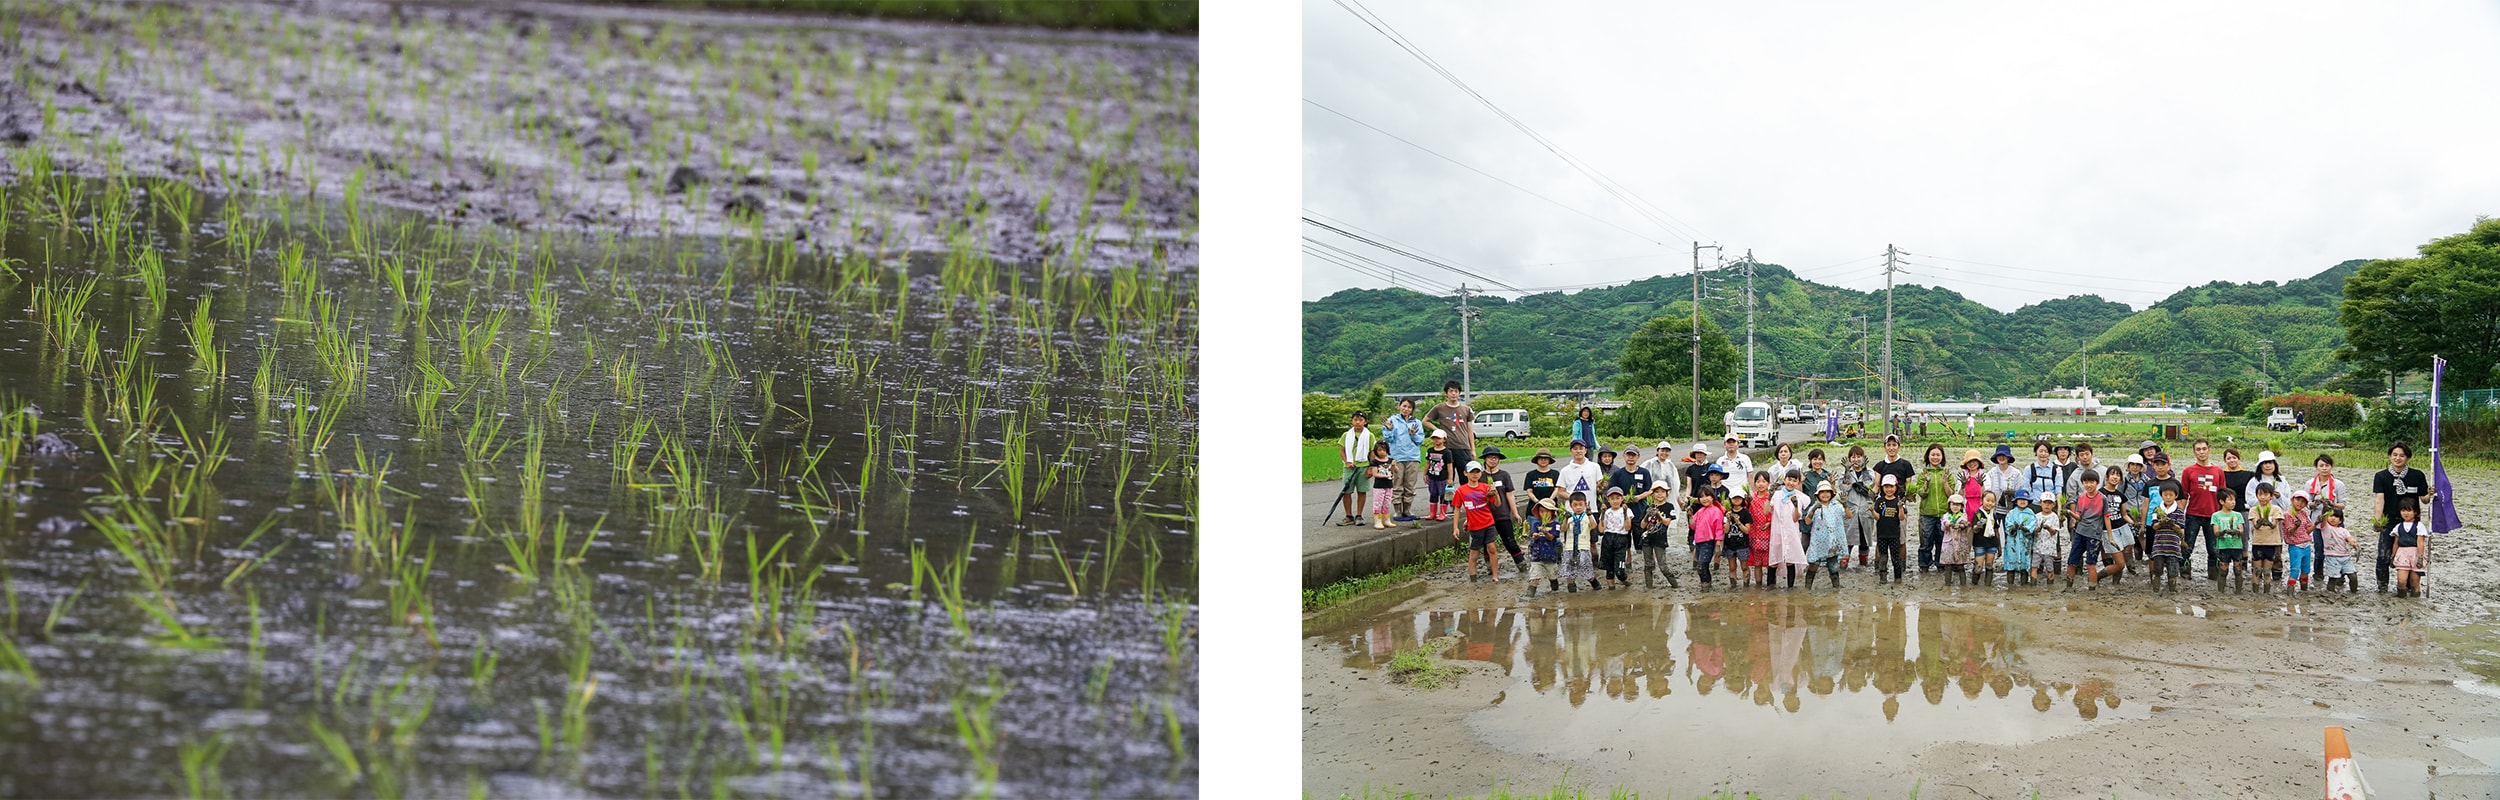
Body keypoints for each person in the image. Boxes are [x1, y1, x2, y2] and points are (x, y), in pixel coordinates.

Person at [2371, 443, 2431, 593]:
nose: (2398, 458)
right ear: (2390, 456)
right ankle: (2382, 586)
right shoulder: (2381, 476)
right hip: (2389, 522)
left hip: (2411, 524)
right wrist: (2378, 521)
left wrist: (2431, 493)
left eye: (2402, 455)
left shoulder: (2417, 476)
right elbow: (2379, 499)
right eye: (2395, 455)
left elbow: (2424, 499)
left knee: (2413, 554)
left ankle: (2411, 585)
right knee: (2384, 554)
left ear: (2408, 458)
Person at [2179, 439, 2225, 582]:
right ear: (2194, 452)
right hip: (2193, 514)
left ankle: (2214, 575)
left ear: (2209, 450)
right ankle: (2184, 574)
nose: (2201, 452)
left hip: (2213, 515)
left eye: (2204, 449)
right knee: (2187, 547)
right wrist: (2180, 515)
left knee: (2213, 549)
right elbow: (2183, 495)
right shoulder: (2188, 471)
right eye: (2198, 449)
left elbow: (2223, 495)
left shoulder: (2218, 471)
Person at [1452, 462, 1502, 582]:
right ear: (1465, 473)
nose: (1475, 475)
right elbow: (1457, 508)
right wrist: (1455, 527)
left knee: (1492, 548)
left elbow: (1497, 504)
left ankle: (1495, 576)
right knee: (1474, 553)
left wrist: (1496, 493)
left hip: (1488, 522)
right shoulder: (1461, 491)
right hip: (1474, 526)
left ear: (1480, 473)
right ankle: (1473, 578)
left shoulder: (1485, 487)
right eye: (1472, 472)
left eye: (1477, 472)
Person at [2303, 454, 2348, 584]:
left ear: (2331, 467)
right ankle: (2318, 573)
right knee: (2319, 549)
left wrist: (2331, 503)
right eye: (2321, 465)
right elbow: (2307, 503)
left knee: (2338, 548)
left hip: (2335, 522)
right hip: (2317, 522)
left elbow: (2343, 504)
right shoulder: (2310, 484)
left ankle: (2339, 575)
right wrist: (2314, 503)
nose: (2324, 468)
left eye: (2327, 465)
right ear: (2316, 467)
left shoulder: (2338, 484)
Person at [1481, 447, 1527, 572]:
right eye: (1490, 457)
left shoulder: (1504, 475)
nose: (1493, 460)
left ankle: (1521, 564)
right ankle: (1490, 567)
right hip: (1485, 516)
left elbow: (1509, 495)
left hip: (1502, 514)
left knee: (1509, 541)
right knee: (1487, 543)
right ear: (1485, 459)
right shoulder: (1480, 476)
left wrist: (1515, 513)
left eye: (1495, 458)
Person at [1383, 398, 1428, 521]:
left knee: (1410, 484)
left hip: (1412, 457)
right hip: (1396, 457)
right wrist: (1389, 429)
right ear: (1399, 406)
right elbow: (1388, 439)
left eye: (1409, 407)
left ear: (1412, 409)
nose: (1406, 409)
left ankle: (1407, 509)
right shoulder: (1392, 420)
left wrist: (1413, 434)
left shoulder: (1416, 422)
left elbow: (1420, 441)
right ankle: (1397, 510)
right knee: (1397, 483)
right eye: (1404, 406)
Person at [1912, 444, 1955, 572]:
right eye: (1933, 455)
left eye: (1938, 455)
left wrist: (1945, 482)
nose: (1935, 457)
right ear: (1928, 456)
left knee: (1942, 541)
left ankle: (1940, 564)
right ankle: (1924, 565)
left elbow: (1951, 495)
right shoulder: (1923, 474)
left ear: (1942, 457)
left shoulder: (1946, 474)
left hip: (1943, 514)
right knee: (1925, 541)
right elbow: (1921, 494)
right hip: (1927, 513)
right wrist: (1926, 483)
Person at [1767, 471, 1811, 588]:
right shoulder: (1777, 495)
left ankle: (1790, 587)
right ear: (1784, 480)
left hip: (1791, 532)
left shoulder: (1800, 497)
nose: (1791, 483)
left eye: (1794, 480)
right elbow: (1766, 511)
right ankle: (1770, 586)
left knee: (1790, 559)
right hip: (1777, 531)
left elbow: (1796, 518)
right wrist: (1769, 497)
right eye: (1789, 479)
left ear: (1798, 483)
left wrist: (1796, 506)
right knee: (1774, 559)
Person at [1426, 380, 1476, 479]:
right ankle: (1447, 495)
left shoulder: (1466, 409)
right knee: (1446, 478)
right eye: (1451, 391)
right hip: (1446, 448)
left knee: (1466, 477)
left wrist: (1473, 449)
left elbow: (1470, 430)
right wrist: (1439, 432)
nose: (1453, 394)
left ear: (1459, 393)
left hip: (1463, 447)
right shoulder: (1439, 408)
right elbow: (1425, 421)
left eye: (1456, 391)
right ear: (1446, 393)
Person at [2094, 467, 2134, 586]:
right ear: (2106, 477)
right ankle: (2096, 577)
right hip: (2108, 530)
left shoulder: (2121, 496)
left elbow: (2124, 514)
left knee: (2123, 554)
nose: (2115, 477)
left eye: (2118, 475)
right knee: (2120, 564)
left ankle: (2116, 584)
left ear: (2121, 479)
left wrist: (2135, 523)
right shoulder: (2100, 494)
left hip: (2122, 527)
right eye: (2112, 474)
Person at [2066, 472, 2106, 590]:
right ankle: (2068, 586)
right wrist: (2070, 513)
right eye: (2086, 482)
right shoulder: (2082, 497)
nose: (2089, 485)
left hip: (2094, 535)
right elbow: (2079, 516)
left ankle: (2092, 588)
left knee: (2091, 563)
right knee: (2071, 561)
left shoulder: (2102, 498)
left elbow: (2106, 517)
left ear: (2097, 483)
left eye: (2092, 482)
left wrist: (2109, 536)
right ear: (2082, 483)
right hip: (2080, 532)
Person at [1840, 446, 1877, 568]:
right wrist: (1846, 471)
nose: (1856, 459)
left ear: (1863, 457)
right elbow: (1844, 488)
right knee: (1848, 537)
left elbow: (1869, 487)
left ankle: (1863, 561)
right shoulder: (1846, 473)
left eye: (1858, 456)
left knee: (1864, 538)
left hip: (1865, 511)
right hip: (1851, 510)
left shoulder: (1870, 472)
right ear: (1849, 459)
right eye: (1853, 457)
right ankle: (1844, 561)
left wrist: (1864, 470)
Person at [1640, 484, 1681, 589]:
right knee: (1648, 564)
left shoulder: (1669, 507)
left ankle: (1675, 585)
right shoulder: (1647, 507)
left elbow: (1667, 522)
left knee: (1662, 565)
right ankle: (1649, 586)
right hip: (1646, 539)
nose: (1660, 494)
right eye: (1657, 492)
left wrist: (1658, 515)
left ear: (1667, 493)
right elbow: (1642, 525)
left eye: (1662, 492)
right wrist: (1647, 515)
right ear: (1652, 494)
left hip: (1660, 539)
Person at [1335, 410, 1373, 526]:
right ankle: (1348, 515)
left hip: (1363, 466)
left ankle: (1359, 515)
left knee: (1362, 491)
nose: (1358, 422)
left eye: (1361, 420)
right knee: (1346, 492)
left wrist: (1371, 467)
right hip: (1349, 467)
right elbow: (1342, 450)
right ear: (1351, 421)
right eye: (1355, 420)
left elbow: (1372, 452)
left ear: (1365, 422)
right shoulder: (1346, 435)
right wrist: (1347, 462)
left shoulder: (1369, 435)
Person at [1805, 484, 1847, 588]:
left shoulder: (1837, 506)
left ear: (1831, 494)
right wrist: (1813, 509)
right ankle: (1807, 587)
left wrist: (1845, 504)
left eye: (1827, 492)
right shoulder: (1815, 507)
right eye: (1822, 492)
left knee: (1833, 566)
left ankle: (1836, 588)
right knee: (1814, 564)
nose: (1825, 494)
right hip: (1818, 542)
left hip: (1832, 543)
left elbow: (1848, 515)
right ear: (1817, 495)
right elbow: (1807, 522)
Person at [2248, 482, 2284, 593]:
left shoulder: (2276, 509)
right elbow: (2256, 526)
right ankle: (2255, 592)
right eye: (2260, 494)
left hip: (2272, 543)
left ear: (2271, 496)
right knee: (2257, 570)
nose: (2263, 497)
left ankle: (2267, 593)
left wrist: (2267, 522)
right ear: (2256, 496)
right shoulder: (2254, 510)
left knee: (2267, 571)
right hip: (2258, 543)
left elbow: (2274, 525)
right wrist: (2260, 522)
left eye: (2266, 494)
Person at [1600, 487, 1638, 589]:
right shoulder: (1607, 512)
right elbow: (1601, 529)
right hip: (1608, 538)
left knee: (1619, 568)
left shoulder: (1627, 511)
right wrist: (1603, 514)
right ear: (1608, 500)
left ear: (1622, 499)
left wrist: (1625, 513)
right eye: (1612, 498)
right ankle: (1611, 588)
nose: (1615, 501)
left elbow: (1627, 527)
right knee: (1609, 566)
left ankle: (1624, 579)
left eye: (1618, 498)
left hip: (1621, 538)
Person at [1524, 498, 1563, 597]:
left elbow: (1551, 538)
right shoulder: (1536, 524)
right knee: (1534, 577)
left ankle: (1555, 591)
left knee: (1552, 576)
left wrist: (1545, 532)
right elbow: (1533, 536)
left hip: (1550, 555)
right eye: (1541, 511)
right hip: (1537, 554)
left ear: (1552, 513)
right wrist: (1536, 536)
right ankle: (1529, 596)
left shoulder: (1555, 524)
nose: (1544, 514)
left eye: (1547, 511)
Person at [1873, 474, 1908, 583]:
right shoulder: (1879, 501)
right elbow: (1877, 517)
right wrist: (1871, 510)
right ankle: (1883, 577)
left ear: (1896, 487)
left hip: (1894, 535)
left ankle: (1898, 578)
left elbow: (1901, 518)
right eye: (1886, 487)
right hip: (1882, 534)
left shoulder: (1898, 501)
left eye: (1891, 487)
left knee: (1895, 558)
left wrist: (1900, 507)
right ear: (1883, 488)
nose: (1889, 489)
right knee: (1883, 557)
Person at [1689, 485, 1727, 587]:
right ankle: (1706, 584)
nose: (1704, 499)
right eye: (1701, 497)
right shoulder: (1700, 511)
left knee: (1702, 566)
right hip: (1699, 542)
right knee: (1701, 567)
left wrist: (1718, 544)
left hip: (1708, 542)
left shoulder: (1716, 511)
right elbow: (1693, 526)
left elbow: (1719, 529)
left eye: (1707, 496)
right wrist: (1690, 515)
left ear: (1712, 497)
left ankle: (1706, 585)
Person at [1560, 492, 1598, 592]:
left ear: (1585, 505)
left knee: (1586, 568)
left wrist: (1590, 514)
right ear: (1571, 506)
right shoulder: (1569, 517)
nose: (1578, 507)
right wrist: (1565, 519)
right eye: (1575, 505)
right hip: (1570, 548)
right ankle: (1571, 586)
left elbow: (1594, 526)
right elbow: (1563, 529)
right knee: (1569, 570)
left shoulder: (1587, 516)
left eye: (1581, 505)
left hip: (1583, 547)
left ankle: (1594, 583)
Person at [1555, 439, 1605, 515]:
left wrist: (1601, 486)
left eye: (1581, 448)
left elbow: (1600, 486)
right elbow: (1560, 492)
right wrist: (1575, 498)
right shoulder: (1565, 471)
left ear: (1586, 450)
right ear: (1571, 451)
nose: (1578, 451)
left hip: (1591, 509)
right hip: (1572, 511)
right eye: (1575, 449)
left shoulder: (1595, 467)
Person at [2211, 490, 2247, 593]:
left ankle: (2238, 591)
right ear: (2222, 501)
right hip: (2223, 546)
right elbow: (2216, 532)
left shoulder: (2238, 515)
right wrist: (2223, 532)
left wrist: (2235, 531)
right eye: (2230, 500)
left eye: (2234, 500)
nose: (2233, 502)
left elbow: (2241, 530)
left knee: (2238, 569)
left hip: (2236, 546)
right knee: (2223, 570)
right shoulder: (2216, 516)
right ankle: (2221, 591)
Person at [1744, 472, 1775, 587]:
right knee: (1757, 563)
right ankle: (1758, 584)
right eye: (1758, 481)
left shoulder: (1771, 498)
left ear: (1768, 483)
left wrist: (1769, 522)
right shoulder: (1751, 497)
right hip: (1754, 535)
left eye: (1763, 481)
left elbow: (1777, 514)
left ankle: (1771, 584)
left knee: (1769, 562)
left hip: (1767, 535)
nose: (1761, 484)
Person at [2389, 504, 2428, 598]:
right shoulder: (2398, 526)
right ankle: (2401, 597)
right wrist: (2393, 556)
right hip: (2402, 554)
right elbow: (2396, 543)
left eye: (2409, 511)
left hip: (2415, 553)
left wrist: (2420, 557)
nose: (2405, 513)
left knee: (2415, 582)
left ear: (2415, 512)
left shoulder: (2419, 526)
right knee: (2401, 580)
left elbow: (2420, 542)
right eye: (2403, 511)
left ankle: (2415, 599)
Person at [2283, 490, 2317, 592]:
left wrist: (2316, 524)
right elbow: (2290, 532)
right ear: (2292, 500)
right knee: (2295, 569)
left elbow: (2307, 530)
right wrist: (2295, 526)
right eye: (2298, 500)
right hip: (2295, 546)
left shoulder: (2304, 514)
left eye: (2303, 502)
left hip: (2306, 546)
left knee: (2306, 569)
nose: (2300, 503)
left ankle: (2304, 590)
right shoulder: (2288, 515)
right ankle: (2290, 591)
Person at [2002, 490, 2037, 588]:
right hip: (2012, 543)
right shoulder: (2011, 513)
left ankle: (2024, 585)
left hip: (2025, 543)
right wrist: (2013, 528)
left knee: (2024, 566)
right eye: (2020, 499)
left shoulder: (2030, 513)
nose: (2022, 501)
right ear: (2015, 501)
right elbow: (2008, 526)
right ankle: (2010, 585)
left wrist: (2025, 529)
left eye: (2025, 499)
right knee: (2010, 565)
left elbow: (2032, 526)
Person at [2318, 508, 2358, 594]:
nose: (2333, 518)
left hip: (2345, 557)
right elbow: (2323, 518)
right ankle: (2331, 594)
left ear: (2340, 520)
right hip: (2332, 557)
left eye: (2336, 516)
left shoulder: (2344, 531)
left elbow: (2349, 538)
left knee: (2353, 576)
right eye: (2331, 516)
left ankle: (2354, 593)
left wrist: (2353, 543)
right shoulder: (2325, 528)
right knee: (2333, 578)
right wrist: (2325, 508)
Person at [1939, 493, 1974, 586]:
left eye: (1958, 505)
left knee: (1960, 566)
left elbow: (1966, 524)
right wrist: (1947, 524)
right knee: (1948, 566)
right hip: (1948, 544)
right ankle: (1947, 585)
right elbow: (1943, 527)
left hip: (1960, 544)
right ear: (1949, 505)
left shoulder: (1963, 516)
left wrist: (1962, 525)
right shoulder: (1946, 516)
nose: (1955, 507)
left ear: (1962, 506)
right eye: (1953, 504)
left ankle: (1963, 586)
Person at [2032, 495, 2065, 589]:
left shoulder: (2054, 517)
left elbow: (2054, 531)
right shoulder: (2036, 516)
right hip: (2037, 547)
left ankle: (2050, 586)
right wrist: (2037, 530)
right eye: (2045, 503)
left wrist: (2048, 528)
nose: (2047, 505)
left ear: (2054, 504)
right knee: (2034, 567)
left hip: (2049, 548)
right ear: (2040, 503)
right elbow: (2033, 531)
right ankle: (2033, 585)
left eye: (2049, 503)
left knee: (2050, 568)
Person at [1423, 429, 1455, 521]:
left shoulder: (1447, 452)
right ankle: (1432, 513)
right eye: (1434, 438)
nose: (1436, 440)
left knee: (1443, 495)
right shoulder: (1430, 450)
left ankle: (1442, 513)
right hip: (1432, 476)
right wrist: (1425, 474)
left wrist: (1450, 478)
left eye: (1438, 438)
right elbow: (1427, 463)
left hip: (1442, 477)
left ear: (1444, 439)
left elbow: (1449, 466)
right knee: (1433, 494)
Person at [1972, 491, 2003, 585]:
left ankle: (1988, 586)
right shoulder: (1977, 514)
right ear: (1982, 500)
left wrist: (1999, 546)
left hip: (1992, 543)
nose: (1990, 503)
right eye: (1988, 500)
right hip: (1979, 543)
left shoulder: (1994, 515)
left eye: (1992, 501)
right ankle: (1974, 585)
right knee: (1978, 567)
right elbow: (1973, 529)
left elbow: (1996, 530)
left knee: (1989, 565)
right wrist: (1978, 526)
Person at [2246, 451, 2290, 516]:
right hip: (2259, 515)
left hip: (2277, 515)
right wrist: (2264, 499)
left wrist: (2279, 496)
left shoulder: (2282, 481)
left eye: (2270, 463)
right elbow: (2250, 500)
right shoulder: (2254, 481)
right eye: (2265, 463)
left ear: (2275, 465)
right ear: (2260, 466)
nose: (2268, 465)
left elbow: (2287, 503)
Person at [1365, 442, 1395, 530]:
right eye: (1379, 450)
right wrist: (1385, 476)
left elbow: (1395, 470)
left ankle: (1386, 520)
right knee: (1378, 503)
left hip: (1389, 485)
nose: (1382, 452)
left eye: (1384, 450)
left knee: (1387, 503)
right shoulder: (1375, 462)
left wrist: (1393, 466)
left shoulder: (1390, 460)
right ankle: (1377, 521)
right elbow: (1375, 474)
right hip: (1379, 486)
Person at [1523, 449, 1560, 513]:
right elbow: (1529, 491)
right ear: (1537, 460)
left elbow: (1557, 489)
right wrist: (1538, 502)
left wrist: (1549, 501)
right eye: (1541, 458)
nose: (1543, 460)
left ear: (1549, 460)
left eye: (1545, 458)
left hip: (1551, 508)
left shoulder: (1555, 474)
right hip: (1534, 509)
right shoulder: (1530, 474)